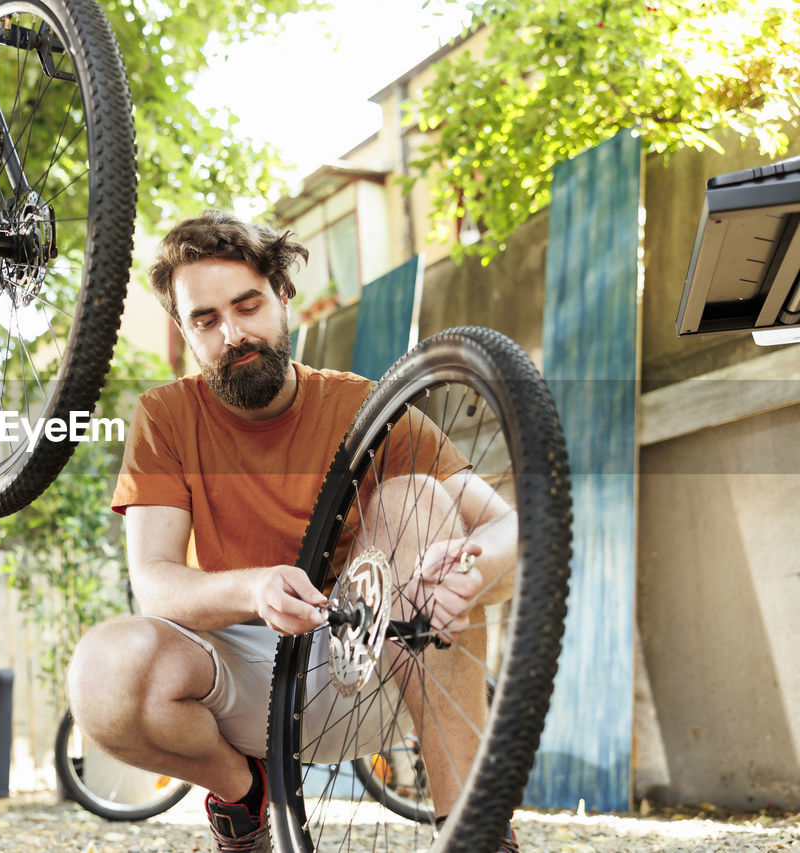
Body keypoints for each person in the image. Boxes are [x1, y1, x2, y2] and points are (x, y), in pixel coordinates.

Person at [67, 210, 519, 853]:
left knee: (414, 496)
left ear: (282, 296)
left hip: (380, 662)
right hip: (242, 681)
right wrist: (254, 589)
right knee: (100, 673)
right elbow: (156, 583)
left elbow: (510, 525)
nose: (232, 333)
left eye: (247, 305)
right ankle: (244, 795)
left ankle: (473, 828)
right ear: (186, 331)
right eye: (206, 320)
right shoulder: (164, 418)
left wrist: (474, 568)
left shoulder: (366, 404)